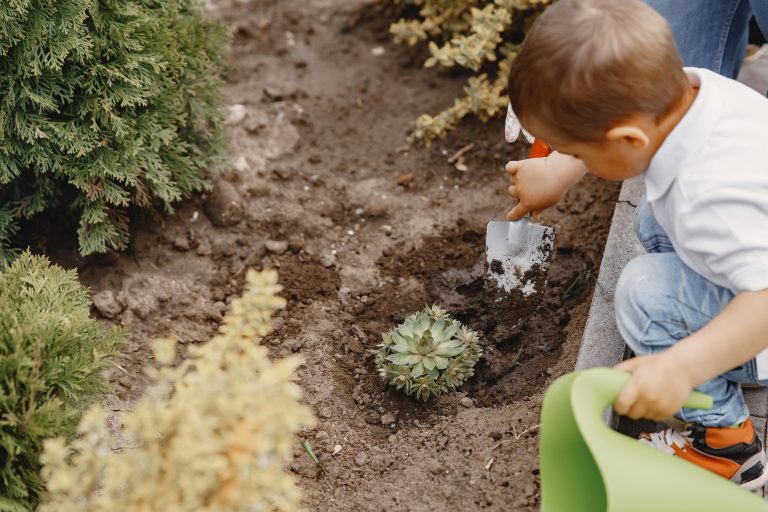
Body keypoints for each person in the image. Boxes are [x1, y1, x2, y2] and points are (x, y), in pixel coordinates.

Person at [504, 0, 768, 489]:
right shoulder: (697, 91)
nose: (575, 157)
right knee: (652, 216)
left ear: (627, 138)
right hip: (753, 238)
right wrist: (559, 170)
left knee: (645, 296)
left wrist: (681, 365)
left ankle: (729, 446)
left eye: (578, 150)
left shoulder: (707, 198)